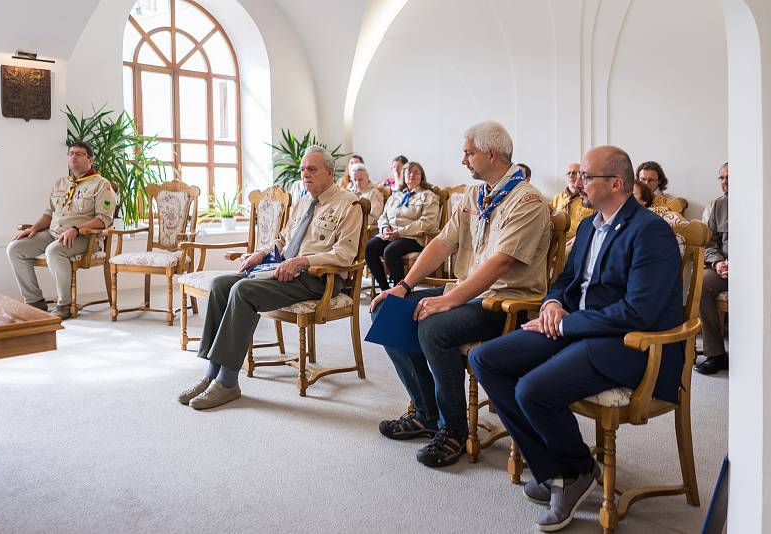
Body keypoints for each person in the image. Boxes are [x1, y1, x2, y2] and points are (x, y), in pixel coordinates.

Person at [469, 146, 683, 532]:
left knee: (532, 389)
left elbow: (640, 313)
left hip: (629, 344)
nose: (578, 183)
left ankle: (574, 472)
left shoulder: (650, 232)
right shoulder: (588, 225)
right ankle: (561, 469)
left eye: (587, 176)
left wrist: (567, 325)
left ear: (617, 183)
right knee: (486, 360)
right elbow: (567, 282)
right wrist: (551, 305)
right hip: (575, 329)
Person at [371, 121, 551, 468]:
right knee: (390, 311)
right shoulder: (474, 195)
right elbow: (442, 243)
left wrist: (447, 300)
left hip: (506, 302)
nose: (463, 159)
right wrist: (404, 286)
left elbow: (500, 264)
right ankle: (426, 412)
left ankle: (454, 430)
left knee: (434, 327)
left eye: (468, 152)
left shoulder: (527, 200)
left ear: (491, 153)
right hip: (468, 292)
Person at [177, 145, 363, 410]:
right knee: (220, 285)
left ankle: (228, 382)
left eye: (312, 169)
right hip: (284, 271)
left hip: (318, 280)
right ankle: (212, 374)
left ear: (330, 173)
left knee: (243, 291)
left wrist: (301, 261)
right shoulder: (302, 201)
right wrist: (259, 254)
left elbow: (344, 255)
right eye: (302, 169)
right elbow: (283, 240)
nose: (305, 174)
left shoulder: (349, 204)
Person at [6, 142, 116, 319]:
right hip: (53, 233)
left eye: (79, 154)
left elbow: (104, 220)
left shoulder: (102, 185)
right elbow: (49, 214)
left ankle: (63, 304)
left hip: (84, 238)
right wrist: (33, 228)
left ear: (90, 159)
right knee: (15, 248)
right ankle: (34, 300)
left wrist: (76, 229)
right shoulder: (61, 183)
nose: (73, 157)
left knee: (54, 250)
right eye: (71, 153)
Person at [365, 162, 439, 291]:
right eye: (408, 172)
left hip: (413, 237)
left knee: (390, 251)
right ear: (403, 176)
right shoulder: (395, 195)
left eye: (416, 172)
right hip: (391, 235)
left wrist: (401, 232)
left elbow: (428, 222)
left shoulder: (428, 195)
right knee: (370, 247)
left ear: (422, 176)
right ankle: (385, 290)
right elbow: (383, 216)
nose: (411, 175)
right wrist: (384, 228)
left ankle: (400, 292)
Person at [696, 162, 729, 375]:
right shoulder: (718, 206)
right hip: (723, 268)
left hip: (757, 270)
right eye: (722, 178)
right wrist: (717, 262)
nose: (725, 182)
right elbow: (709, 243)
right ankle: (716, 354)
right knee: (702, 282)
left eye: (730, 177)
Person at [549, 162, 595, 247]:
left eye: (574, 173)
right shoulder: (557, 198)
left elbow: (596, 225)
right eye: (568, 173)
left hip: (579, 242)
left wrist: (580, 237)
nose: (570, 176)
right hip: (555, 242)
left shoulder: (589, 200)